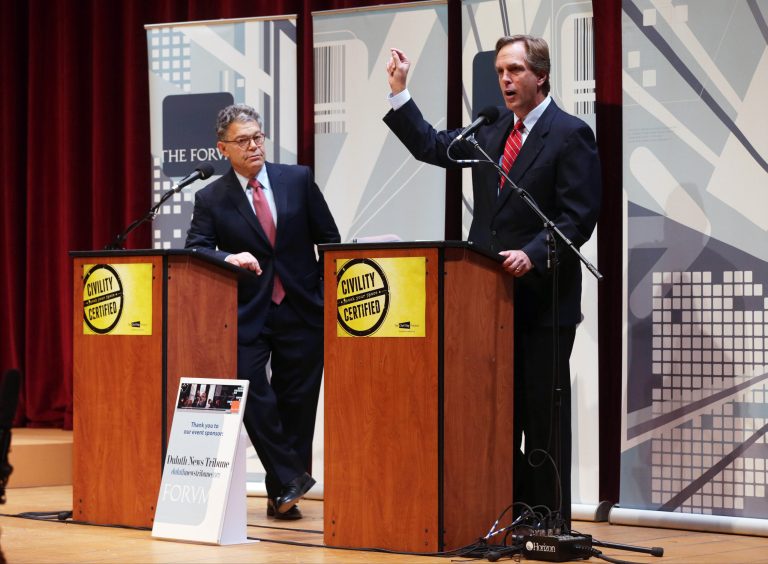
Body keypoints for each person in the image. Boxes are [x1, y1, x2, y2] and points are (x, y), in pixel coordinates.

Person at [383, 36, 601, 526]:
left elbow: (578, 217)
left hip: (542, 301)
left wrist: (531, 254)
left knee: (541, 416)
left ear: (540, 76)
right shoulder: (491, 128)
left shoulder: (570, 134)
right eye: (501, 70)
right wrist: (400, 93)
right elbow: (432, 146)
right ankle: (507, 512)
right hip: (486, 299)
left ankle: (548, 522)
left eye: (516, 70)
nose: (505, 79)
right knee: (498, 416)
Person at [185, 103, 340, 520]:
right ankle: (291, 474)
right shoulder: (211, 197)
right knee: (251, 393)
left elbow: (329, 240)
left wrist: (324, 294)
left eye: (258, 137)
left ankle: (281, 494)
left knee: (297, 403)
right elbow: (196, 248)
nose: (254, 146)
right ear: (223, 148)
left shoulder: (297, 179)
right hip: (246, 310)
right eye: (242, 141)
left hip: (301, 307)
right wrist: (228, 258)